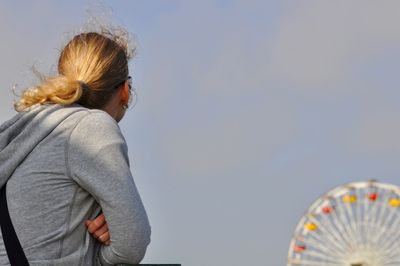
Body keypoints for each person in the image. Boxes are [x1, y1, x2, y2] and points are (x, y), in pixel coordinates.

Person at [0, 28, 151, 265]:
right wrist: (99, 254)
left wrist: (108, 218)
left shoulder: (25, 130)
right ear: (124, 91)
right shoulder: (91, 127)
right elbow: (132, 244)